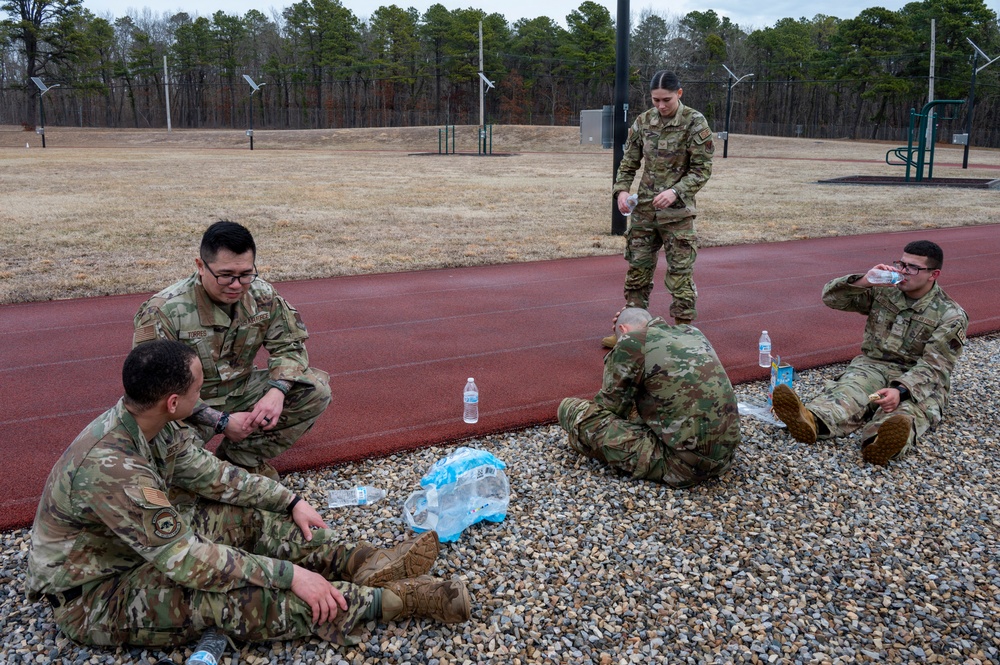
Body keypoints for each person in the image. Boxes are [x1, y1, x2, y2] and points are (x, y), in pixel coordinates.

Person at [25, 340, 471, 649]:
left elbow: (216, 477)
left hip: (136, 551)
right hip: (96, 595)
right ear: (174, 403)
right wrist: (289, 575)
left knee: (246, 520)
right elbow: (189, 561)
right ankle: (390, 601)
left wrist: (289, 501)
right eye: (198, 388)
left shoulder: (152, 423)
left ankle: (361, 562)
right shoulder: (111, 467)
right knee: (233, 601)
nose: (206, 398)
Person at [133, 220, 331, 480]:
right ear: (201, 266)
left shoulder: (262, 295)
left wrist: (277, 391)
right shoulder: (163, 311)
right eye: (225, 275)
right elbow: (153, 386)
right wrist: (221, 421)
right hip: (186, 406)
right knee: (158, 454)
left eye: (246, 274)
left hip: (241, 390)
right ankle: (200, 475)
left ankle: (241, 461)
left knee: (314, 389)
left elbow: (289, 345)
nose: (237, 285)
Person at [771, 240, 968, 467]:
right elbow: (831, 299)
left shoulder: (950, 315)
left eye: (912, 268)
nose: (903, 272)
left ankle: (878, 444)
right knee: (850, 391)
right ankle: (812, 421)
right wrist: (866, 280)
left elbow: (936, 365)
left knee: (905, 413)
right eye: (901, 264)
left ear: (934, 274)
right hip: (873, 366)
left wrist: (901, 390)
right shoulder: (885, 292)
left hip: (916, 379)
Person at [560, 308, 740, 487]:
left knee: (570, 409)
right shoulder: (692, 332)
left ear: (623, 330)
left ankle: (587, 442)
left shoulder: (632, 341)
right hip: (725, 458)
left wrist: (584, 435)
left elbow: (607, 410)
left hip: (683, 467)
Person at [603, 70, 714, 348]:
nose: (661, 106)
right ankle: (632, 334)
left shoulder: (694, 122)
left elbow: (701, 170)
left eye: (666, 100)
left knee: (680, 274)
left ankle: (684, 336)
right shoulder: (644, 121)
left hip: (677, 214)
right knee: (637, 271)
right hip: (643, 212)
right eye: (655, 100)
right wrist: (622, 191)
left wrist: (675, 191)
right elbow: (628, 161)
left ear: (679, 93)